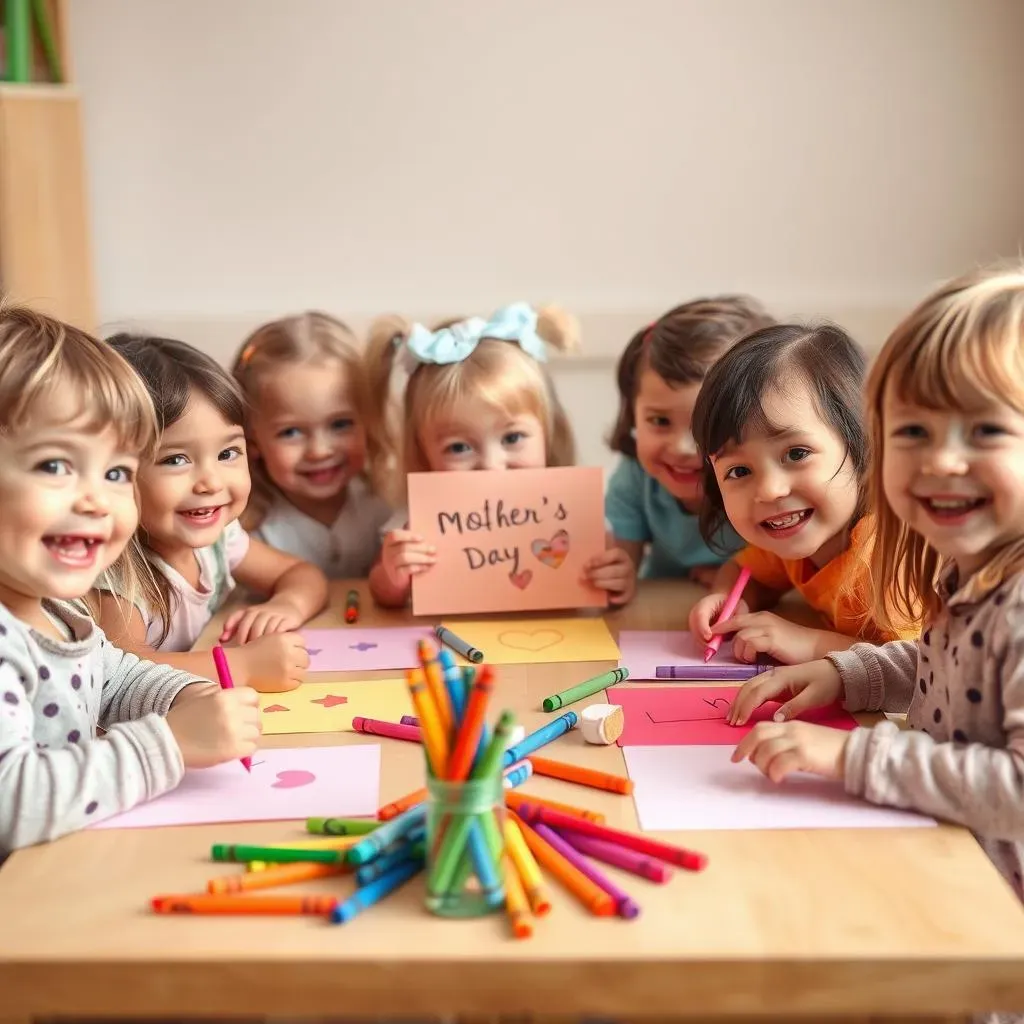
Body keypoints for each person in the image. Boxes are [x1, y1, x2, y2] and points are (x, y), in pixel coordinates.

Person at [0, 305, 259, 854]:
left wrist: (188, 695)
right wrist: (169, 744)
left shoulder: (53, 612)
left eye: (116, 472)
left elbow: (113, 679)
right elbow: (13, 803)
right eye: (54, 466)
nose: (97, 499)